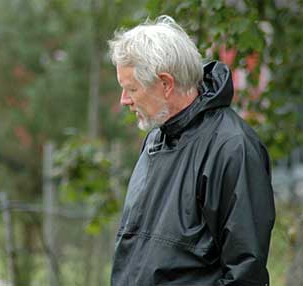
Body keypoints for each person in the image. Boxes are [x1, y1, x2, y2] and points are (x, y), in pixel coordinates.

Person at [108, 15, 275, 285]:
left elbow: (246, 273)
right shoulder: (155, 139)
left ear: (165, 84)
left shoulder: (232, 148)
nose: (124, 100)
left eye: (131, 89)